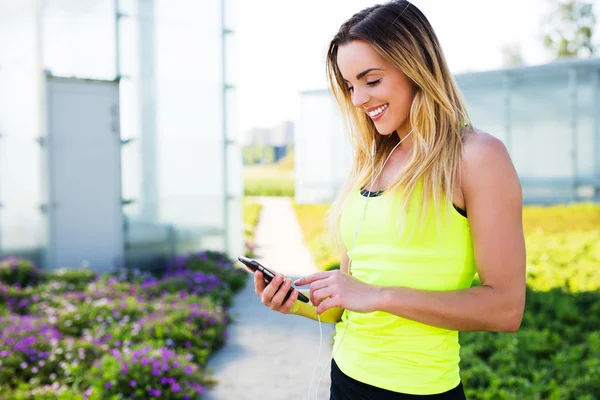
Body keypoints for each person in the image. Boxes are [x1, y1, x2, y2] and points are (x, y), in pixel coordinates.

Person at [253, 1, 526, 398]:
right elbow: (347, 306)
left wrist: (378, 295)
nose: (359, 99)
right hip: (345, 379)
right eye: (350, 86)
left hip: (417, 390)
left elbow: (505, 308)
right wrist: (294, 301)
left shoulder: (476, 156)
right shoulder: (371, 163)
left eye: (371, 80)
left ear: (416, 66)